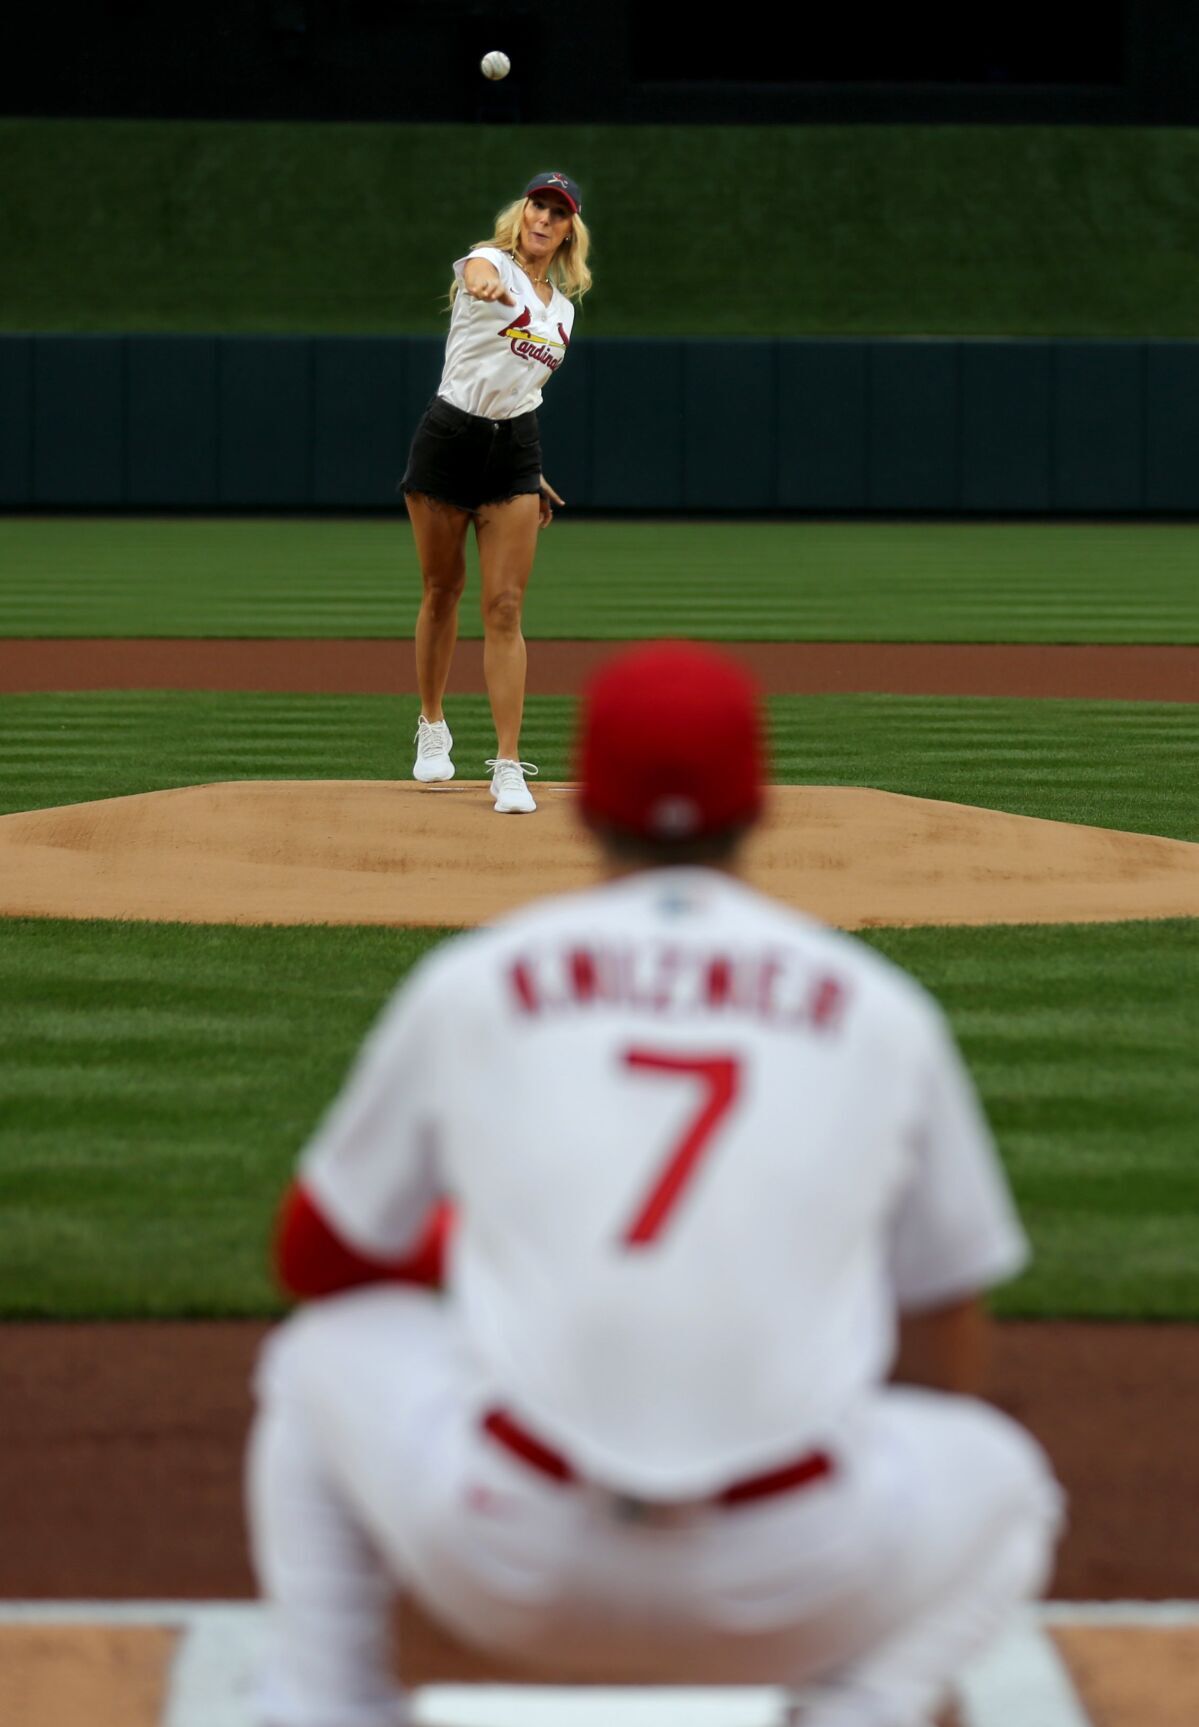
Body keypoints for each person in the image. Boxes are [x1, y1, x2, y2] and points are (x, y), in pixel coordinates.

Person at [246, 641, 1064, 1727]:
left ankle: (330, 1707)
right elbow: (945, 1310)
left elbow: (314, 1258)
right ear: (760, 807)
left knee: (311, 1366)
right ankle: (861, 1704)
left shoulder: (477, 980)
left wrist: (484, 1234)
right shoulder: (878, 1009)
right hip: (795, 1569)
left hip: (509, 1548)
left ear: (582, 807)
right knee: (1003, 1483)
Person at [401, 170, 591, 815]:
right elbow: (476, 274)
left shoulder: (562, 309)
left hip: (515, 449)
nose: (545, 219)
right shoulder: (491, 263)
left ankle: (507, 764)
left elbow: (523, 386)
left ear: (570, 230)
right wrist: (478, 279)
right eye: (539, 206)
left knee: (505, 607)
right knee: (442, 589)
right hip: (449, 437)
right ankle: (432, 722)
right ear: (523, 212)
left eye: (558, 213)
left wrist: (528, 467)